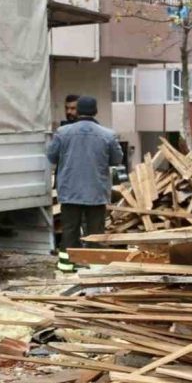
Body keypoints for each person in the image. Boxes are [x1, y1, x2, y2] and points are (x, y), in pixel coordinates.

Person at [46, 96, 123, 273]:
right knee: (95, 232)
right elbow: (117, 159)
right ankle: (94, 266)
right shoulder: (108, 135)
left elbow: (51, 156)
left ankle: (66, 266)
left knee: (70, 231)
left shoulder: (63, 132)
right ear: (95, 111)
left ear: (78, 111)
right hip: (96, 192)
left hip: (69, 191)